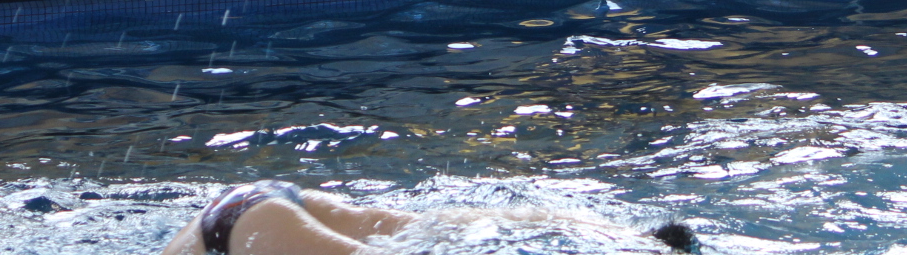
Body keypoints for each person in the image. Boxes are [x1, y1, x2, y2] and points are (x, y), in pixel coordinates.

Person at [159, 180, 695, 255]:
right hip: (256, 208)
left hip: (243, 224)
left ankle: (631, 239)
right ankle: (632, 238)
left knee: (433, 231)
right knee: (442, 225)